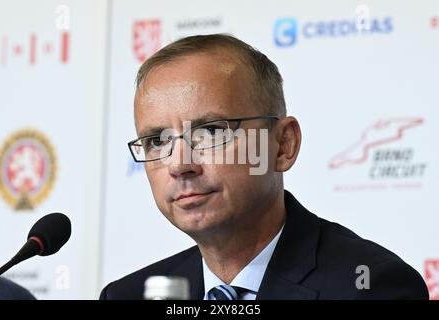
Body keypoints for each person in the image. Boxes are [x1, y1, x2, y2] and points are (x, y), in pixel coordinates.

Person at [100, 34, 428, 300]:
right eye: (157, 140)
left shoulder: (371, 286)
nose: (180, 164)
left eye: (212, 131)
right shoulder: (126, 295)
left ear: (283, 145)